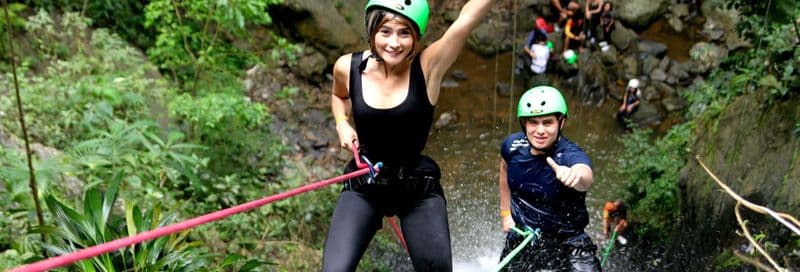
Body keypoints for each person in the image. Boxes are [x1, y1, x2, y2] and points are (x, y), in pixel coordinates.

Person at [324, 0, 494, 271]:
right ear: (371, 32)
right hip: (366, 182)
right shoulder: (348, 67)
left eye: (404, 32)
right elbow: (339, 95)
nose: (394, 42)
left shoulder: (429, 66)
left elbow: (466, 20)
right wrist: (342, 123)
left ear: (417, 36)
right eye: (385, 31)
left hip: (417, 187)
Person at [498, 86, 601, 271]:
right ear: (524, 124)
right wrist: (506, 214)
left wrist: (575, 176)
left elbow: (585, 175)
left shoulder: (569, 155)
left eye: (547, 122)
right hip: (524, 238)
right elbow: (504, 169)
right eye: (533, 123)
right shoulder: (512, 146)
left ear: (561, 122)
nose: (540, 130)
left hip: (569, 243)